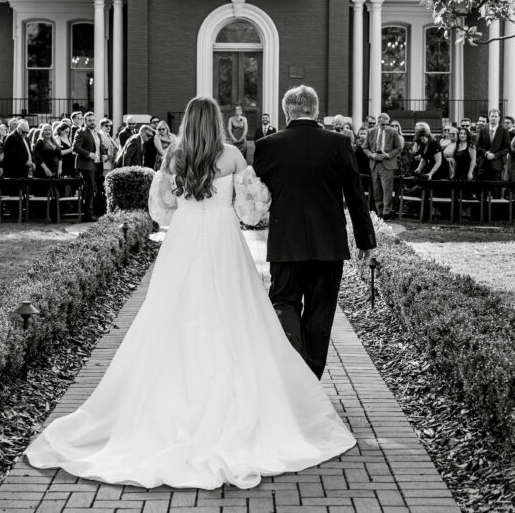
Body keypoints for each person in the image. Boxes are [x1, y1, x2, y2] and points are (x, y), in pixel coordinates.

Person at [25, 95, 357, 489]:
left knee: (171, 315)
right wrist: (248, 203)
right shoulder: (232, 156)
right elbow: (252, 211)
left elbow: (161, 211)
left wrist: (187, 206)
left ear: (187, 122)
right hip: (223, 241)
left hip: (182, 242)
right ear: (216, 121)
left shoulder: (173, 157)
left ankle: (171, 401)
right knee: (235, 314)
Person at [254, 85, 376, 379]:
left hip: (285, 242)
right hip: (328, 244)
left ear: (287, 111)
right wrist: (366, 241)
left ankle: (292, 372)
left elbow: (257, 195)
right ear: (316, 110)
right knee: (320, 314)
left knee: (283, 304)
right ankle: (311, 376)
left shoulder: (267, 145)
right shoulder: (338, 143)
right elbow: (356, 196)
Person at [362, 112, 403, 219]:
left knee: (387, 189)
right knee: (377, 190)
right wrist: (371, 155)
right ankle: (379, 212)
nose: (385, 126)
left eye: (387, 124)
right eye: (383, 124)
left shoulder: (393, 132)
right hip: (375, 163)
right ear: (378, 122)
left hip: (387, 164)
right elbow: (365, 147)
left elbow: (398, 148)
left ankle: (386, 212)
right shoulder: (371, 132)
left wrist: (388, 155)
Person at [73, 112, 102, 220]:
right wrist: (89, 154)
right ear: (85, 122)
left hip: (96, 165)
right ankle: (88, 214)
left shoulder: (97, 133)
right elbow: (75, 147)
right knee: (89, 189)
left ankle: (95, 211)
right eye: (89, 120)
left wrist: (104, 155)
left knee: (95, 189)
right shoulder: (81, 132)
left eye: (93, 120)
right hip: (85, 165)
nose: (92, 122)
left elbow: (99, 147)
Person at [474, 108, 511, 182]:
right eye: (492, 116)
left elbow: (507, 148)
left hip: (497, 165)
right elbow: (478, 146)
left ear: (499, 118)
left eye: (496, 116)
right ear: (489, 117)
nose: (494, 118)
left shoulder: (504, 131)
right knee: (483, 187)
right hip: (484, 164)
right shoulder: (483, 130)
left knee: (496, 187)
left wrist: (495, 155)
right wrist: (485, 153)